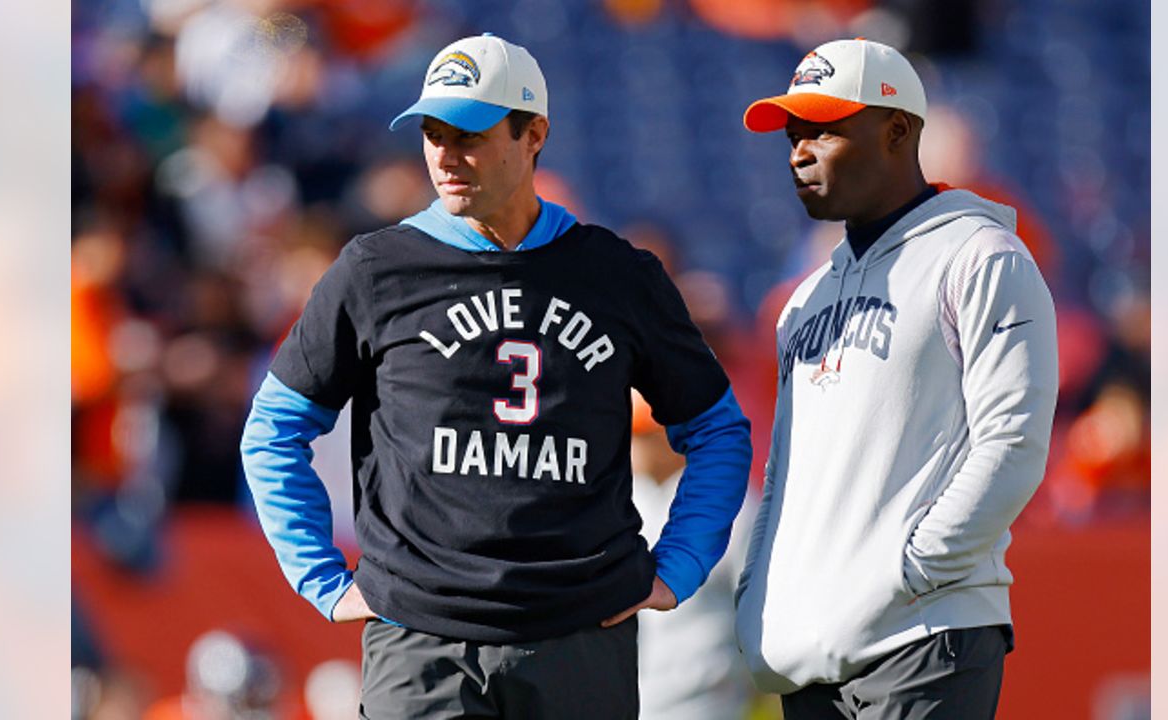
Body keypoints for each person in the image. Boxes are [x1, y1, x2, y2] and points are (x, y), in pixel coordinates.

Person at [240, 33, 751, 720]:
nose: (446, 156)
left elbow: (717, 427)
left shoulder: (619, 276)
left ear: (533, 134)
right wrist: (321, 578)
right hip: (422, 643)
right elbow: (273, 427)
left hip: (579, 640)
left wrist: (679, 565)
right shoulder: (375, 270)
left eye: (470, 134)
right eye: (432, 133)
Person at [734, 38, 1058, 719]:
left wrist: (910, 572)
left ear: (898, 131)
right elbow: (784, 476)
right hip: (816, 648)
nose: (798, 150)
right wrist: (760, 594)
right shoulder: (804, 299)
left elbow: (1013, 442)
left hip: (923, 634)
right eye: (793, 133)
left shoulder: (981, 255)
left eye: (823, 128)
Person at [628, 391, 755, 720]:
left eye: (648, 436)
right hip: (631, 700)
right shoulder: (622, 501)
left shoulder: (731, 505)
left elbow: (755, 605)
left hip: (708, 702)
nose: (638, 446)